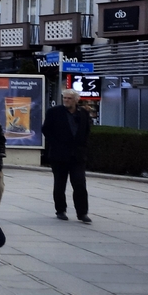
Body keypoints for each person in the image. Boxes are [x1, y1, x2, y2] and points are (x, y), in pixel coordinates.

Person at [42, 88, 92, 224]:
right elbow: (46, 129)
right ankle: (60, 210)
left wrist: (84, 146)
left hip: (77, 155)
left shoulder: (83, 113)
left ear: (76, 100)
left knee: (79, 183)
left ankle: (82, 213)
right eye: (64, 98)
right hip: (59, 154)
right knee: (60, 184)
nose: (66, 100)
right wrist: (55, 144)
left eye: (69, 98)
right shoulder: (54, 112)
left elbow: (87, 130)